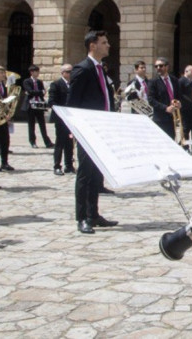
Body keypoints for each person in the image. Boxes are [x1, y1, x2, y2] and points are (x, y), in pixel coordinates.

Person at [67, 30, 119, 234]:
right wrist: (75, 129)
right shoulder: (82, 69)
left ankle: (93, 214)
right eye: (104, 42)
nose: (108, 45)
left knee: (96, 174)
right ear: (92, 46)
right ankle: (82, 218)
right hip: (87, 129)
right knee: (85, 175)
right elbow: (72, 103)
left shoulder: (100, 69)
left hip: (102, 128)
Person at [48, 64, 74, 175]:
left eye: (71, 72)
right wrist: (61, 111)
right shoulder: (56, 84)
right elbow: (51, 101)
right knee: (60, 142)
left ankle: (69, 165)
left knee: (70, 142)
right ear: (62, 72)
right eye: (68, 71)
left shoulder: (73, 84)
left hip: (71, 118)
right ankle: (57, 166)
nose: (70, 74)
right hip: (60, 118)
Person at [147, 58, 181, 139]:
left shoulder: (174, 80)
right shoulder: (153, 82)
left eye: (161, 66)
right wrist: (166, 108)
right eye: (156, 66)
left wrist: (179, 103)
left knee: (172, 140)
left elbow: (178, 95)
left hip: (173, 117)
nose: (158, 68)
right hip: (160, 118)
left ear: (167, 67)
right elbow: (151, 100)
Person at [22, 65, 53, 148]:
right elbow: (30, 91)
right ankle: (33, 141)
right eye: (36, 71)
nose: (38, 73)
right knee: (31, 124)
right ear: (32, 72)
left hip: (39, 104)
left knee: (42, 124)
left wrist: (38, 92)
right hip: (31, 105)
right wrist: (39, 92)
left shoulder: (39, 82)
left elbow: (43, 92)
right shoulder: (27, 81)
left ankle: (47, 142)